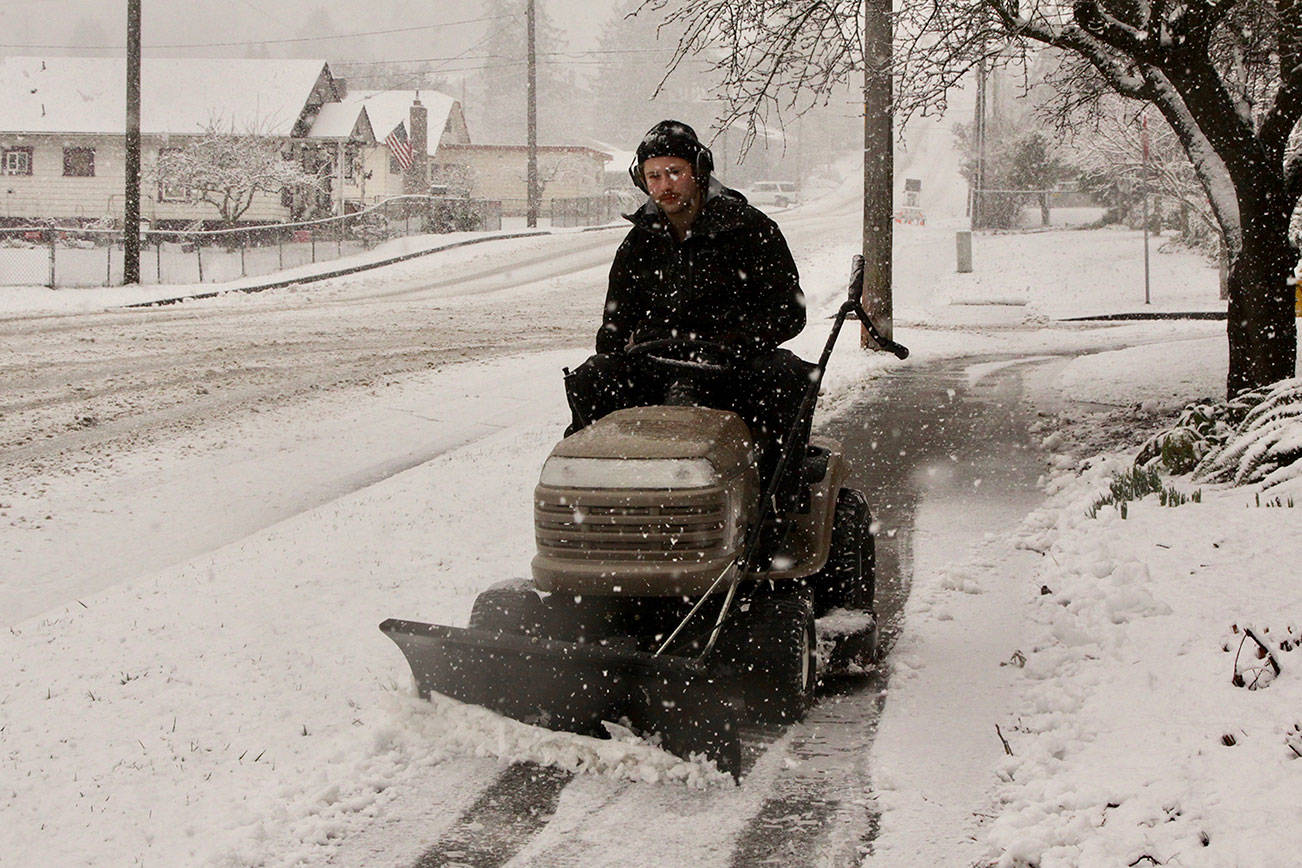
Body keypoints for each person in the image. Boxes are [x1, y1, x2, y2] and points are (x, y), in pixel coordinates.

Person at [564, 119, 815, 512]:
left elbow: (789, 312)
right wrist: (615, 351)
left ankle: (773, 508)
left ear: (699, 170)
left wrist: (739, 342)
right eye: (654, 176)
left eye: (675, 172)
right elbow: (615, 321)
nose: (665, 184)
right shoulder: (638, 244)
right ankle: (598, 506)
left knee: (787, 377)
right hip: (656, 367)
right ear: (641, 180)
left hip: (733, 369)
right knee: (593, 378)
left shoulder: (750, 229)